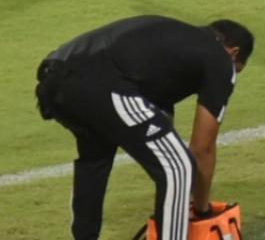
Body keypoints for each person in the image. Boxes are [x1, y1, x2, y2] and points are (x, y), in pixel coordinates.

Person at [35, 16, 253, 240]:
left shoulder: (172, 45)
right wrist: (201, 210)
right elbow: (202, 147)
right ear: (233, 52)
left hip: (55, 79)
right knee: (179, 167)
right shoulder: (220, 58)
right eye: (237, 69)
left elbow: (161, 123)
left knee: (95, 159)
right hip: (101, 81)